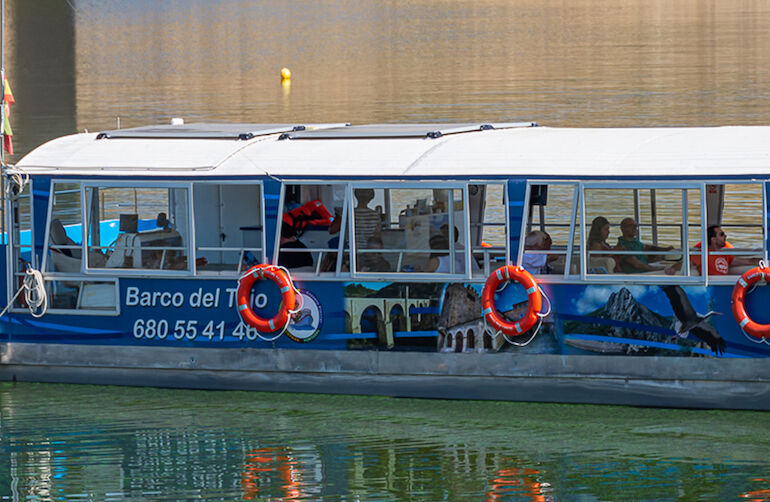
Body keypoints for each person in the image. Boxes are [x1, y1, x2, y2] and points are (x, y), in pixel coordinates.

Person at [691, 225, 756, 275]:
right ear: (713, 239)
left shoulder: (725, 255)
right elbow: (683, 266)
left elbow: (745, 261)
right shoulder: (701, 254)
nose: (725, 236)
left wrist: (758, 261)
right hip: (711, 286)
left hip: (723, 285)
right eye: (721, 234)